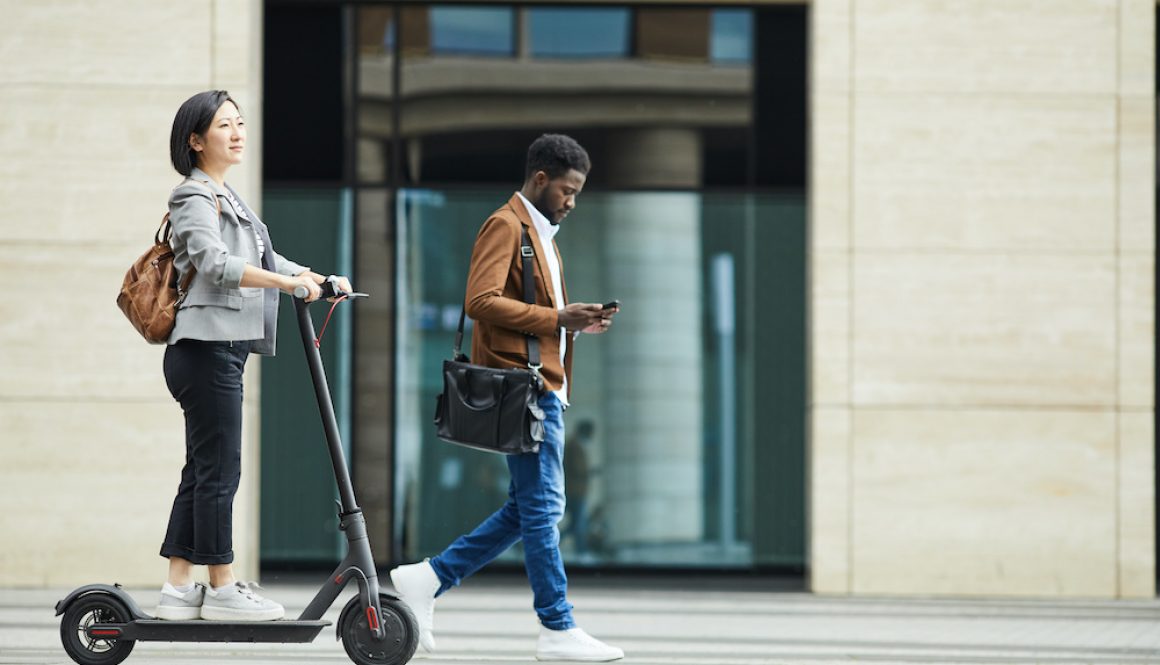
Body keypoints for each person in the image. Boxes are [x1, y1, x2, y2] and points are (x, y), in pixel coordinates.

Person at [390, 134, 624, 662]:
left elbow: (538, 313)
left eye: (577, 193)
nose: (571, 201)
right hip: (525, 387)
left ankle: (428, 578)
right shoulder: (506, 224)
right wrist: (557, 319)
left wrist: (575, 324)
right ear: (540, 179)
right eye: (567, 190)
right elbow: (480, 300)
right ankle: (557, 626)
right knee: (543, 508)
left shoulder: (544, 234)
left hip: (546, 384)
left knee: (532, 507)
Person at [154, 90, 351, 622]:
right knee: (221, 471)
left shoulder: (228, 195)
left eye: (240, 123)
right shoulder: (193, 196)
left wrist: (314, 277)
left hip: (222, 350)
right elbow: (215, 264)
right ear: (195, 141)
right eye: (224, 125)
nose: (238, 132)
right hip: (204, 348)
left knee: (204, 467)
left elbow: (262, 256)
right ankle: (220, 587)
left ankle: (177, 588)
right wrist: (287, 284)